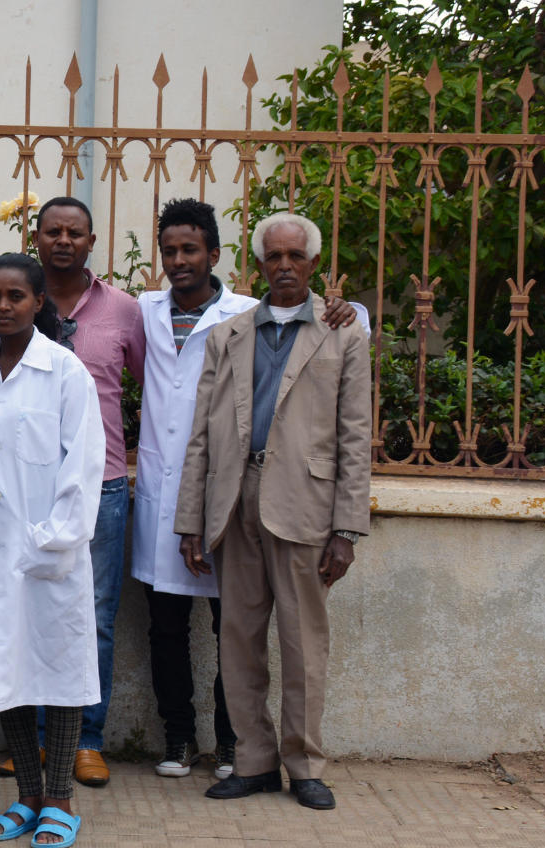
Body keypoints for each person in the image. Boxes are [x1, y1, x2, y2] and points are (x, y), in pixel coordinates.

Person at [176, 212, 370, 813]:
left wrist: (346, 528)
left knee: (303, 642)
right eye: (274, 257)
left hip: (305, 506)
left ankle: (305, 766)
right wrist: (190, 520)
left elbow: (355, 438)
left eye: (296, 257)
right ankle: (254, 762)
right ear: (257, 265)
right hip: (235, 503)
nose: (285, 266)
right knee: (238, 637)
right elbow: (202, 435)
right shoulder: (228, 334)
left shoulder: (344, 335)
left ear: (313, 265)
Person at [0, 252, 105, 848]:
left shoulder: (65, 371)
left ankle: (60, 801)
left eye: (15, 296)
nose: (2, 306)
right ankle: (26, 796)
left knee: (61, 674)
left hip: (51, 551)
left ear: (38, 300)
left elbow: (86, 461)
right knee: (11, 676)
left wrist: (55, 538)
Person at [18, 196, 145, 790]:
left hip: (105, 485)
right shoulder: (20, 302)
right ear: (35, 237)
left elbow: (150, 383)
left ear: (92, 241)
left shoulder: (123, 309)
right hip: (30, 486)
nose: (63, 240)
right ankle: (40, 744)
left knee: (92, 615)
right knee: (34, 611)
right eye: (52, 231)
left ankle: (85, 741)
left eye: (75, 232)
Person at [132, 199, 257, 781]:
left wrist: (337, 310)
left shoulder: (248, 314)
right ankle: (178, 737)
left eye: (189, 250)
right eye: (169, 252)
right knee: (165, 624)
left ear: (213, 253)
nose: (178, 261)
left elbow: (330, 325)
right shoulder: (146, 310)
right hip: (161, 492)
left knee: (233, 622)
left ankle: (232, 740)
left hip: (225, 493)